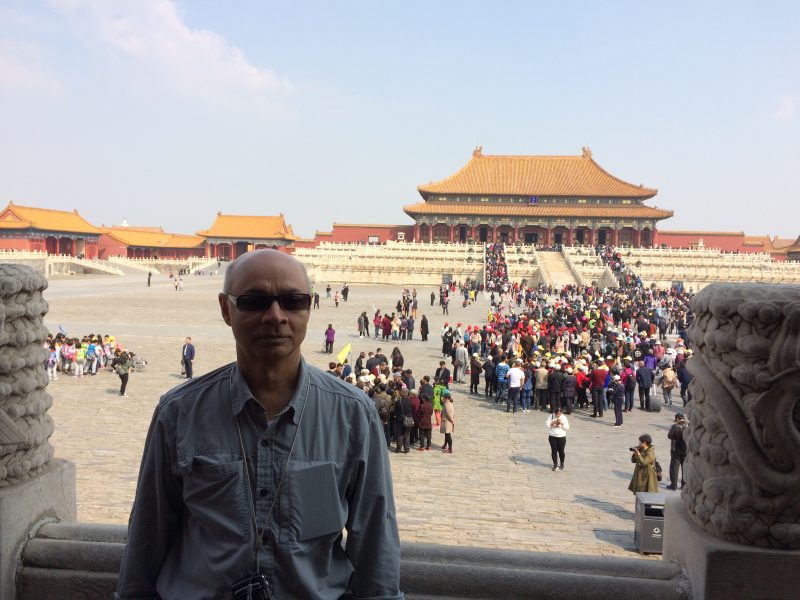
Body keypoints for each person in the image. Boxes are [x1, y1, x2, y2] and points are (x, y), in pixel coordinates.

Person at [115, 249, 402, 600]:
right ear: (226, 309)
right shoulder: (178, 413)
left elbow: (375, 542)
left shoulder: (353, 415)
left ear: (309, 307)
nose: (275, 316)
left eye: (293, 301)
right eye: (255, 301)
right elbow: (148, 535)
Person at [667, 413, 688, 490]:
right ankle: (684, 485)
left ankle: (674, 485)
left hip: (676, 450)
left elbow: (669, 436)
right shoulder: (689, 425)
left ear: (677, 419)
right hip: (686, 450)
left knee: (674, 468)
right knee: (685, 468)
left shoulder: (675, 426)